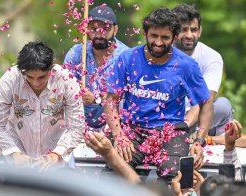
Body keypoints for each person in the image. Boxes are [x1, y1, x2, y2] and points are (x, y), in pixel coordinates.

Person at [104, 7, 213, 181]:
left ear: (174, 37)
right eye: (154, 36)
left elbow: (206, 103)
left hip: (171, 133)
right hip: (133, 130)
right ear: (144, 33)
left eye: (165, 37)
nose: (159, 42)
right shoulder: (127, 58)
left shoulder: (186, 65)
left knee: (176, 178)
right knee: (115, 173)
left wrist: (199, 141)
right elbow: (111, 101)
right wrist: (118, 135)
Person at [0, 41, 84, 169]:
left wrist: (56, 154)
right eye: (29, 77)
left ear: (51, 68)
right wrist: (14, 152)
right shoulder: (9, 80)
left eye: (41, 77)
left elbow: (76, 127)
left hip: (57, 160)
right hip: (17, 159)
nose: (36, 83)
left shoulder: (67, 80)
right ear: (22, 71)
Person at [172, 4, 243, 147]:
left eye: (194, 30)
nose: (189, 35)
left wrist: (183, 126)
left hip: (196, 118)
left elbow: (205, 100)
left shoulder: (211, 57)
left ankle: (207, 139)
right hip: (164, 116)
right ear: (173, 31)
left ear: (200, 31)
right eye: (184, 30)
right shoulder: (162, 52)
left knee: (223, 106)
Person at [64, 4, 129, 130]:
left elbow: (126, 99)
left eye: (105, 29)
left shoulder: (126, 57)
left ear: (115, 29)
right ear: (86, 29)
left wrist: (96, 99)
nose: (99, 34)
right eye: (93, 29)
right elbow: (64, 87)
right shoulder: (76, 53)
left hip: (117, 127)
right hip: (79, 126)